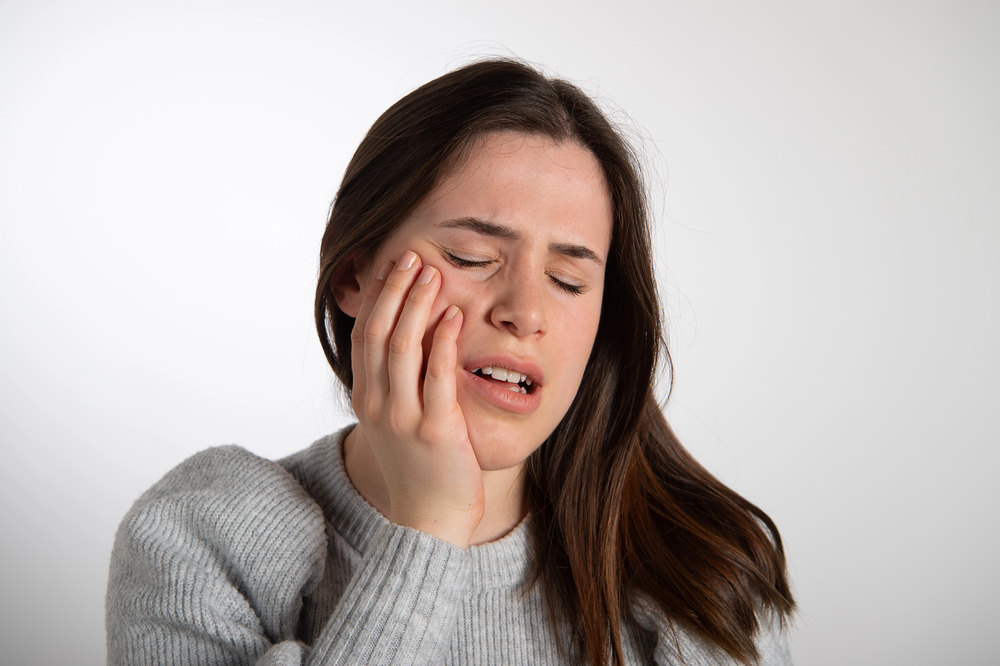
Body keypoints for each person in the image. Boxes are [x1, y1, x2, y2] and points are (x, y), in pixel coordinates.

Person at [106, 59, 794, 665]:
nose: (526, 311)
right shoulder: (204, 532)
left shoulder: (700, 574)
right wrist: (427, 528)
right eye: (471, 258)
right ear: (353, 274)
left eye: (569, 280)